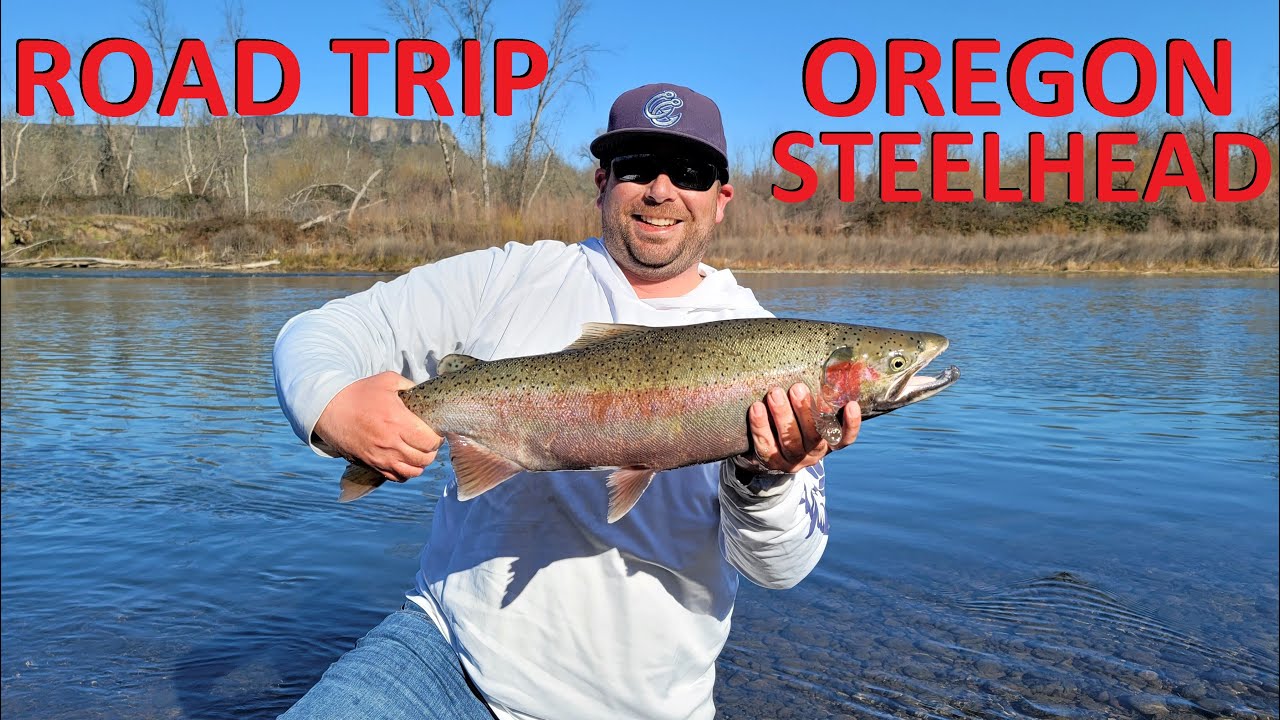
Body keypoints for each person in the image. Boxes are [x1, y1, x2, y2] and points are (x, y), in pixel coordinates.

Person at [272, 83, 861, 720]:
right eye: (637, 169)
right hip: (444, 659)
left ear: (722, 200)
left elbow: (782, 568)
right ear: (603, 182)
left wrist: (763, 477)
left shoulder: (773, 352)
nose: (661, 192)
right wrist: (333, 405)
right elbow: (320, 332)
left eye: (689, 173)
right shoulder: (508, 276)